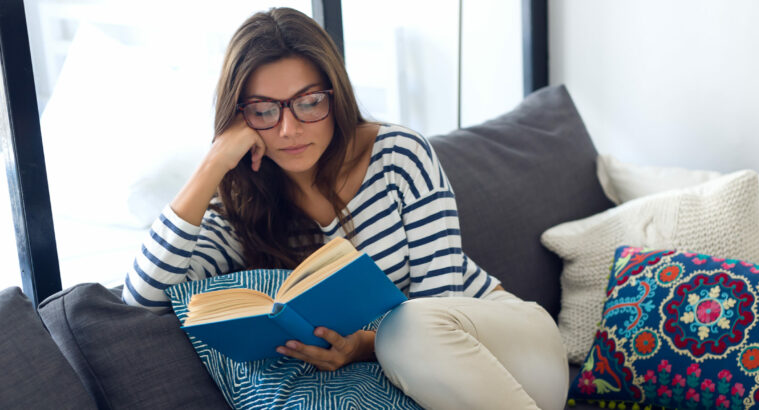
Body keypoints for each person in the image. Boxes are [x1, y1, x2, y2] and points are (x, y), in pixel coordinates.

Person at [122, 7, 568, 409]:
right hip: (430, 388)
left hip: (513, 347)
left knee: (406, 329)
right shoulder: (242, 213)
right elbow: (140, 300)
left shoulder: (398, 154)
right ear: (239, 117)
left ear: (335, 96)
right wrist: (214, 163)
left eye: (309, 102)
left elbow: (442, 301)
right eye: (263, 111)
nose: (289, 129)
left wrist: (363, 345)